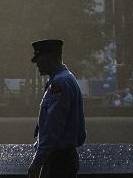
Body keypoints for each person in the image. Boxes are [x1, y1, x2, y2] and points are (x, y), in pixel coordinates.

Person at [28, 39, 86, 178]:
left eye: (39, 59)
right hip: (63, 158)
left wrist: (37, 163)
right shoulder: (65, 78)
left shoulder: (59, 83)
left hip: (58, 161)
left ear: (48, 59)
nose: (36, 64)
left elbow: (53, 128)